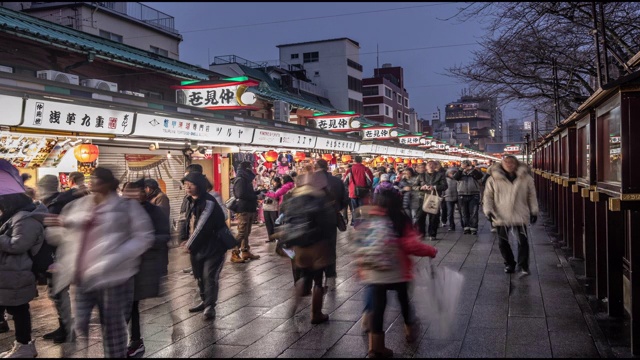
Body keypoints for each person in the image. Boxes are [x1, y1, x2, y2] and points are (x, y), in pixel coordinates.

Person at [43, 167, 155, 358]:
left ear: (109, 183)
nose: (93, 182)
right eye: (92, 179)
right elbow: (61, 237)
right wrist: (58, 226)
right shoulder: (80, 205)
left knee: (113, 329)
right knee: (79, 326)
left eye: (98, 179)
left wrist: (115, 258)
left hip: (114, 278)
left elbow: (143, 237)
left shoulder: (126, 207)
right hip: (83, 277)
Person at [353, 189, 438, 358]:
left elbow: (357, 241)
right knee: (404, 301)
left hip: (373, 270)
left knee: (378, 308)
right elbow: (410, 245)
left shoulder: (367, 215)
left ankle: (375, 348)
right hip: (396, 271)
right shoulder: (400, 218)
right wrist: (430, 251)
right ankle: (409, 330)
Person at [121, 180, 170, 357]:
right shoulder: (120, 211)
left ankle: (134, 341)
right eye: (126, 192)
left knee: (131, 305)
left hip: (142, 267)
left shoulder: (153, 211)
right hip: (123, 266)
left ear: (143, 193)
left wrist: (145, 241)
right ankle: (128, 341)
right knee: (127, 306)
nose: (130, 196)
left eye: (134, 192)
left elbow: (164, 234)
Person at [37, 175, 87, 344]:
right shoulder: (56, 201)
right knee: (57, 292)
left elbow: (57, 231)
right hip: (59, 254)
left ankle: (67, 329)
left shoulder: (55, 204)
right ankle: (65, 326)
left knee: (59, 292)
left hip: (60, 255)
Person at [284, 171, 335, 324]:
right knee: (318, 280)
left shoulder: (292, 199)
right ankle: (316, 314)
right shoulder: (320, 199)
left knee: (304, 275)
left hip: (298, 245)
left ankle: (294, 304)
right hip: (317, 245)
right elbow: (328, 223)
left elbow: (285, 219)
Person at [0, 192, 46, 358]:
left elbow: (18, 245)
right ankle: (21, 344)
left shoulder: (26, 219)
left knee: (19, 309)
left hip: (19, 271)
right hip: (11, 271)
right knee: (15, 308)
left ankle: (25, 345)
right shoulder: (15, 217)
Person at [181, 172, 228, 320]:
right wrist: (183, 238)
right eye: (185, 183)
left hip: (214, 245)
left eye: (191, 184)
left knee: (209, 275)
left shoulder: (209, 202)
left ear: (200, 186)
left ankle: (210, 306)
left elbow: (202, 225)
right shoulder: (188, 201)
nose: (187, 186)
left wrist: (189, 243)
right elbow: (184, 219)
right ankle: (204, 301)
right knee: (199, 275)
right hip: (197, 247)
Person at [483, 156, 539, 276]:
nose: (509, 164)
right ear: (502, 164)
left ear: (516, 164)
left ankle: (523, 265)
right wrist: (488, 211)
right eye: (506, 162)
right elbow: (488, 196)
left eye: (511, 162)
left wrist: (534, 211)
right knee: (503, 242)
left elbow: (531, 195)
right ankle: (509, 263)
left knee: (523, 241)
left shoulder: (526, 178)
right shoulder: (493, 179)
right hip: (501, 214)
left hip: (520, 213)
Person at [314, 159, 347, 290]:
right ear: (327, 167)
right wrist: (337, 208)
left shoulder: (309, 181)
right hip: (331, 218)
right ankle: (330, 273)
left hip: (314, 220)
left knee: (315, 246)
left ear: (316, 168)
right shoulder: (337, 181)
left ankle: (316, 275)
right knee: (330, 246)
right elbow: (345, 199)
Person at [231, 161, 260, 263]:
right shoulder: (240, 179)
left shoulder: (246, 179)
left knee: (247, 232)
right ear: (246, 168)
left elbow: (246, 192)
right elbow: (240, 194)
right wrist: (255, 196)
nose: (252, 169)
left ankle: (245, 251)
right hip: (243, 209)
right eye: (250, 167)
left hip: (249, 208)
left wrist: (257, 192)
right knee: (242, 232)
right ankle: (234, 252)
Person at [414, 161, 448, 240]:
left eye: (433, 164)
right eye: (429, 165)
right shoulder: (421, 176)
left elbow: (445, 186)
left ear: (435, 166)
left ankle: (432, 234)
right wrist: (421, 188)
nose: (431, 166)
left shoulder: (440, 175)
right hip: (422, 197)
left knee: (434, 217)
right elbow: (414, 186)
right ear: (426, 167)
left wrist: (435, 187)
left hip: (434, 198)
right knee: (420, 217)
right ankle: (421, 233)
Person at [454, 160, 484, 235]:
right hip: (462, 194)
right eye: (465, 165)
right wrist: (461, 169)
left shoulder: (475, 171)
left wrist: (472, 169)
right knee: (464, 212)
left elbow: (479, 177)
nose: (466, 166)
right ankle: (466, 227)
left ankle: (473, 228)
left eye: (468, 165)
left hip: (474, 194)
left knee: (474, 212)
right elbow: (456, 177)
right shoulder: (459, 172)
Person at [263, 175, 295, 243]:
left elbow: (275, 195)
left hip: (283, 206)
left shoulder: (285, 187)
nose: (281, 181)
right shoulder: (292, 185)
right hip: (291, 205)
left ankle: (281, 239)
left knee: (279, 222)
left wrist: (266, 193)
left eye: (282, 180)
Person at [343, 156, 374, 226]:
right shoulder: (366, 169)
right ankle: (364, 222)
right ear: (361, 160)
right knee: (363, 207)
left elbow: (345, 182)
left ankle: (355, 222)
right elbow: (370, 181)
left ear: (354, 161)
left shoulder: (349, 170)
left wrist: (350, 187)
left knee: (354, 208)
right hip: (363, 192)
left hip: (352, 192)